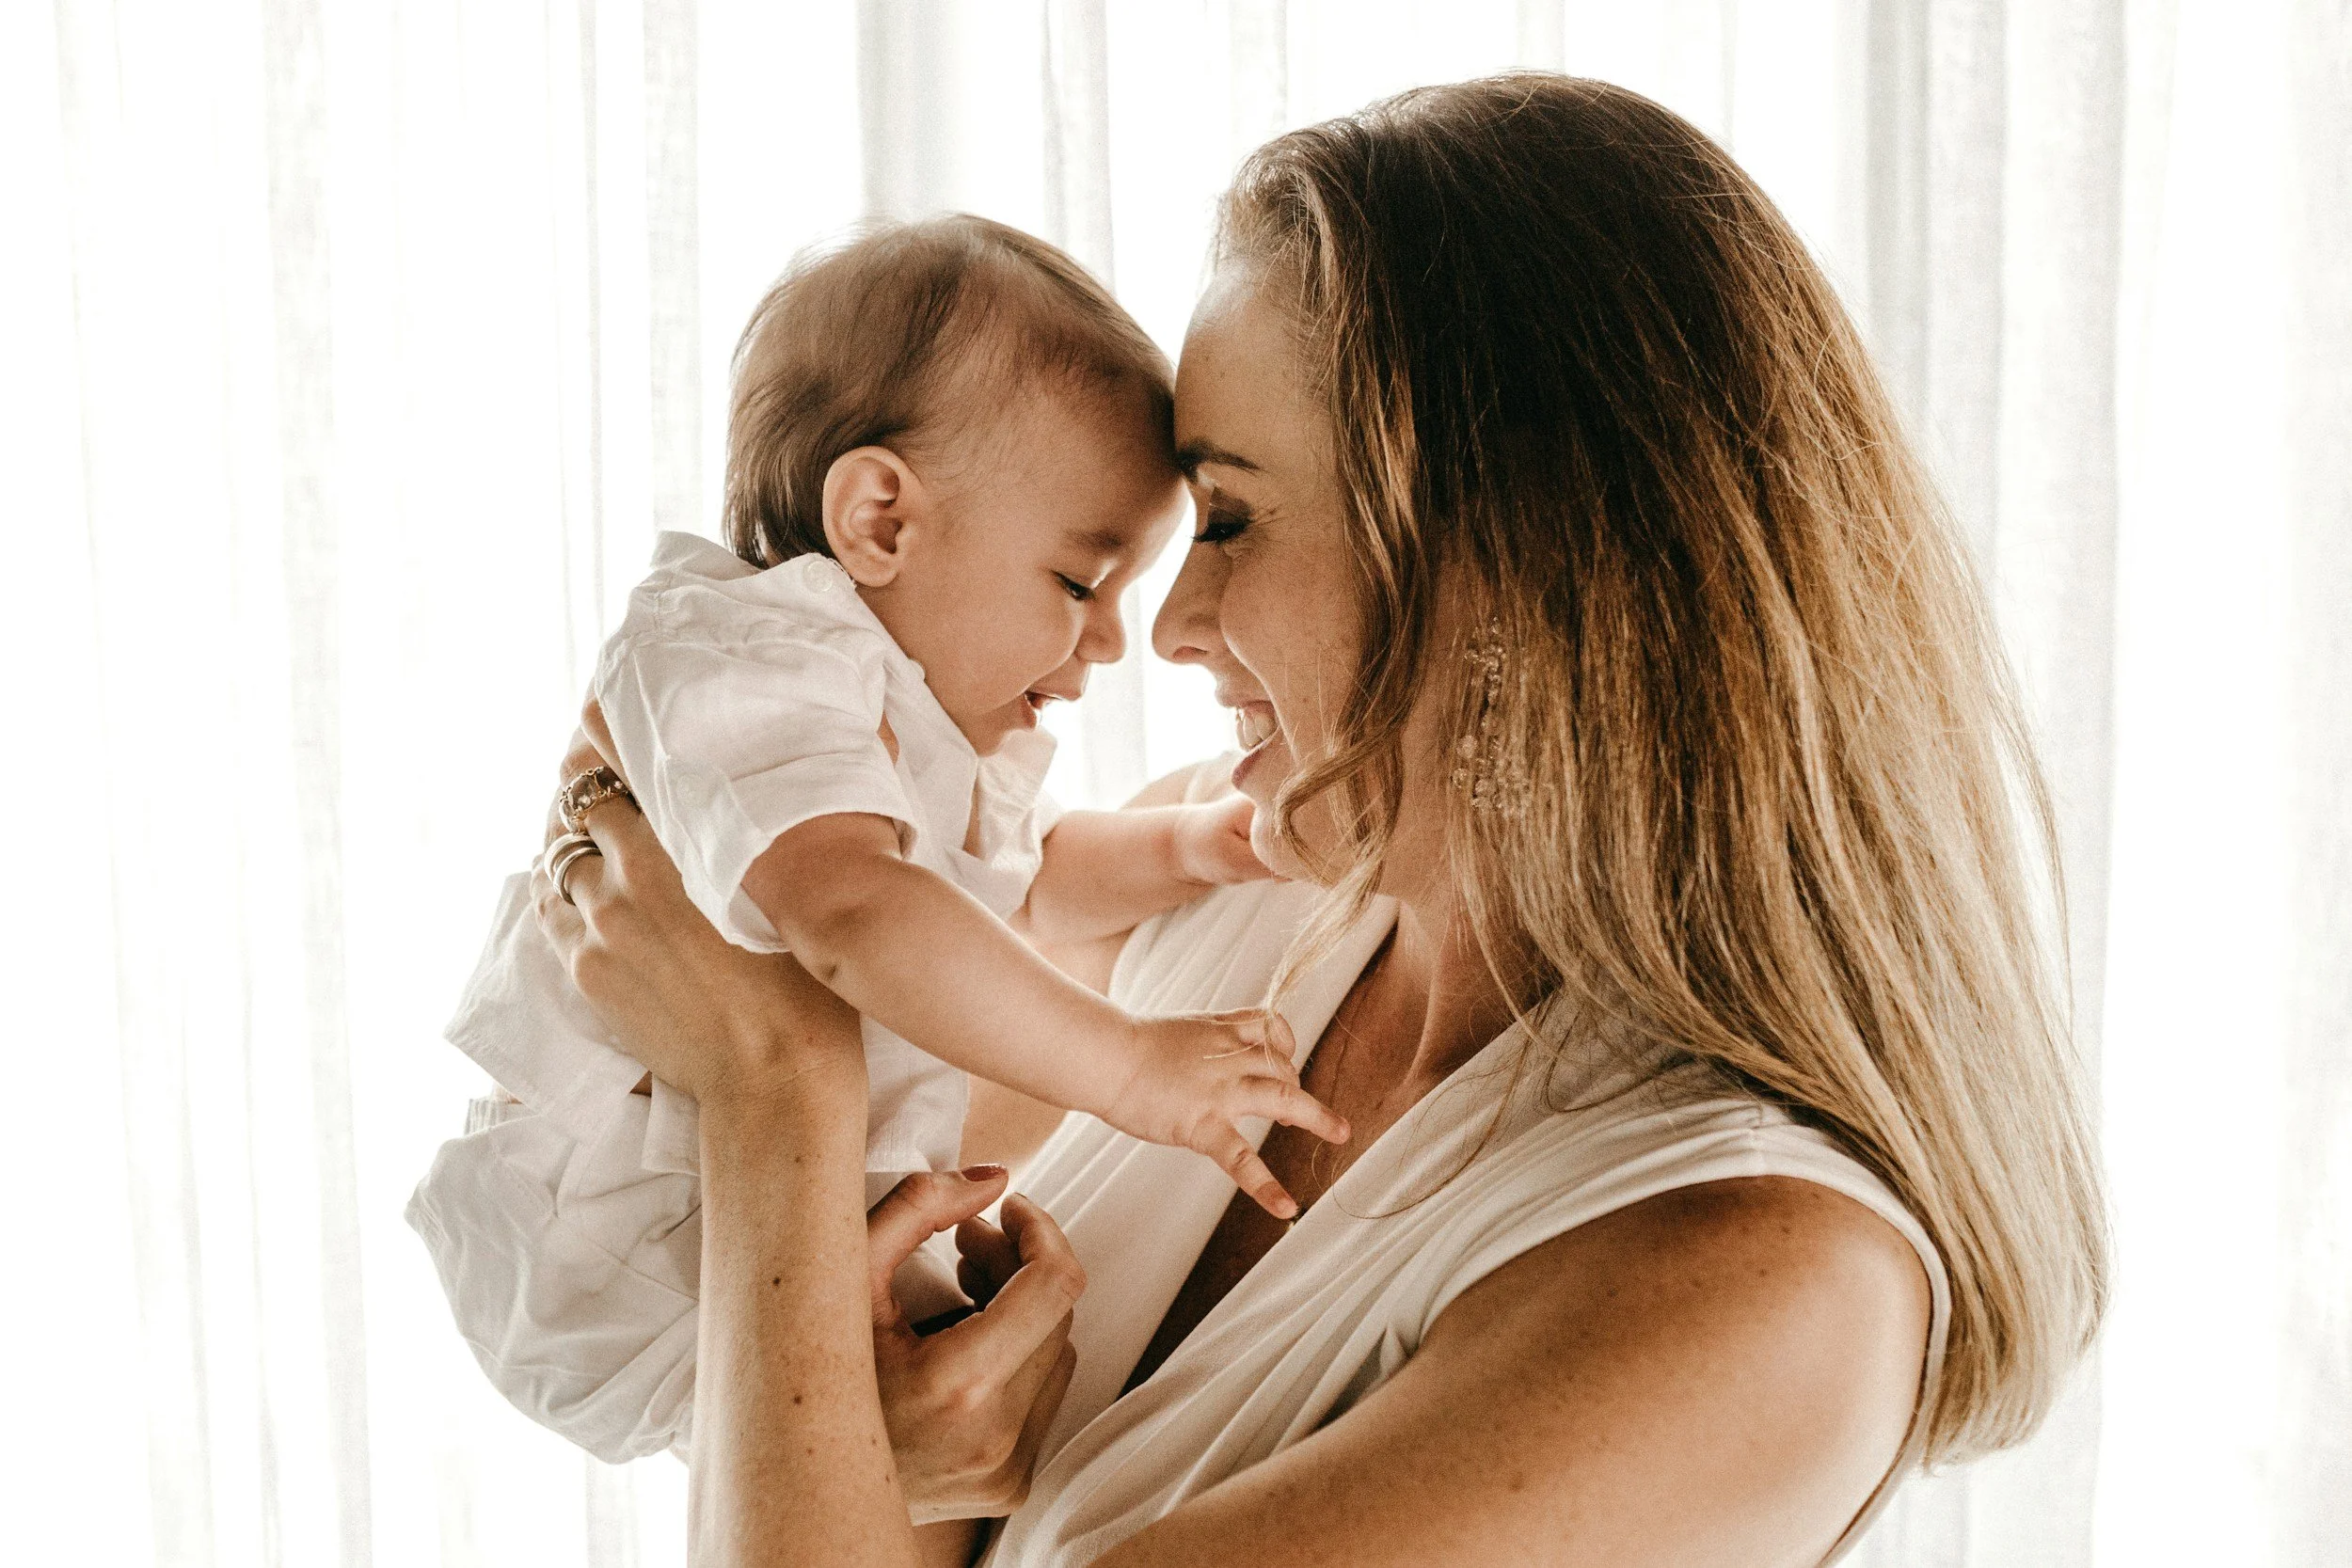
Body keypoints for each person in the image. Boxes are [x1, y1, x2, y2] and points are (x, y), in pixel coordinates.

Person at [410, 75, 2107, 1565]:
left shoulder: (1757, 1281)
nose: (1163, 629)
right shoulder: (1201, 908)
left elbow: (796, 1181)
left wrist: (773, 1087)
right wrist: (918, 1456)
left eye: (1224, 518)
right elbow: (838, 1483)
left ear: (1507, 555)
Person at [438, 212, 1346, 1337]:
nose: (1117, 637)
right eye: (1079, 581)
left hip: (767, 1200)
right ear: (880, 521)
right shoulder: (743, 655)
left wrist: (1186, 846)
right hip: (631, 1218)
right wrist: (1128, 1067)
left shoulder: (908, 708)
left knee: (995, 1399)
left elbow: (1020, 878)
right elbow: (855, 909)